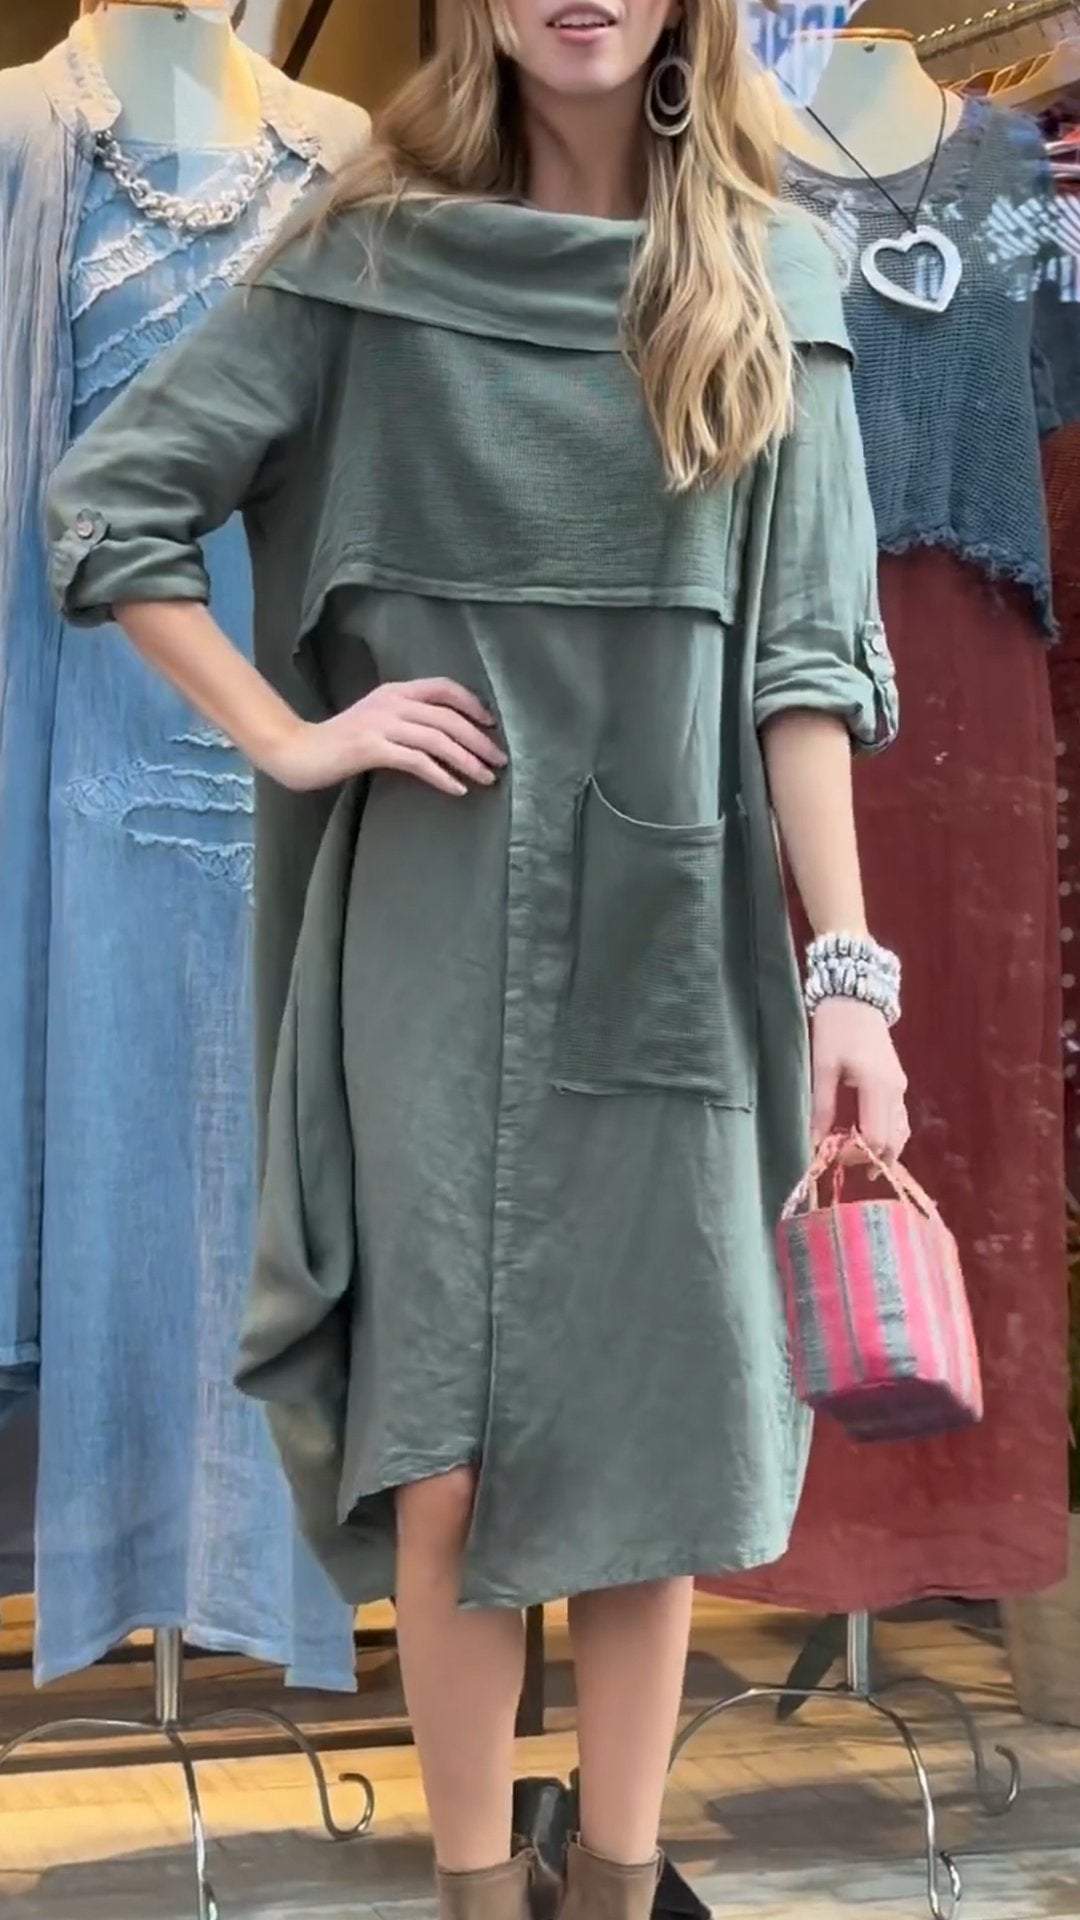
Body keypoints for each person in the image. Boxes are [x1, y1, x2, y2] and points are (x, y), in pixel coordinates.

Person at [46, 3, 908, 1917]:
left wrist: (851, 976)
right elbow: (113, 503)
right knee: (437, 1446)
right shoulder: (367, 259)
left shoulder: (769, 274)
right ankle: (468, 1893)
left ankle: (613, 1882)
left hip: (676, 930)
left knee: (645, 1433)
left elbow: (803, 667)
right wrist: (293, 735)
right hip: (430, 932)